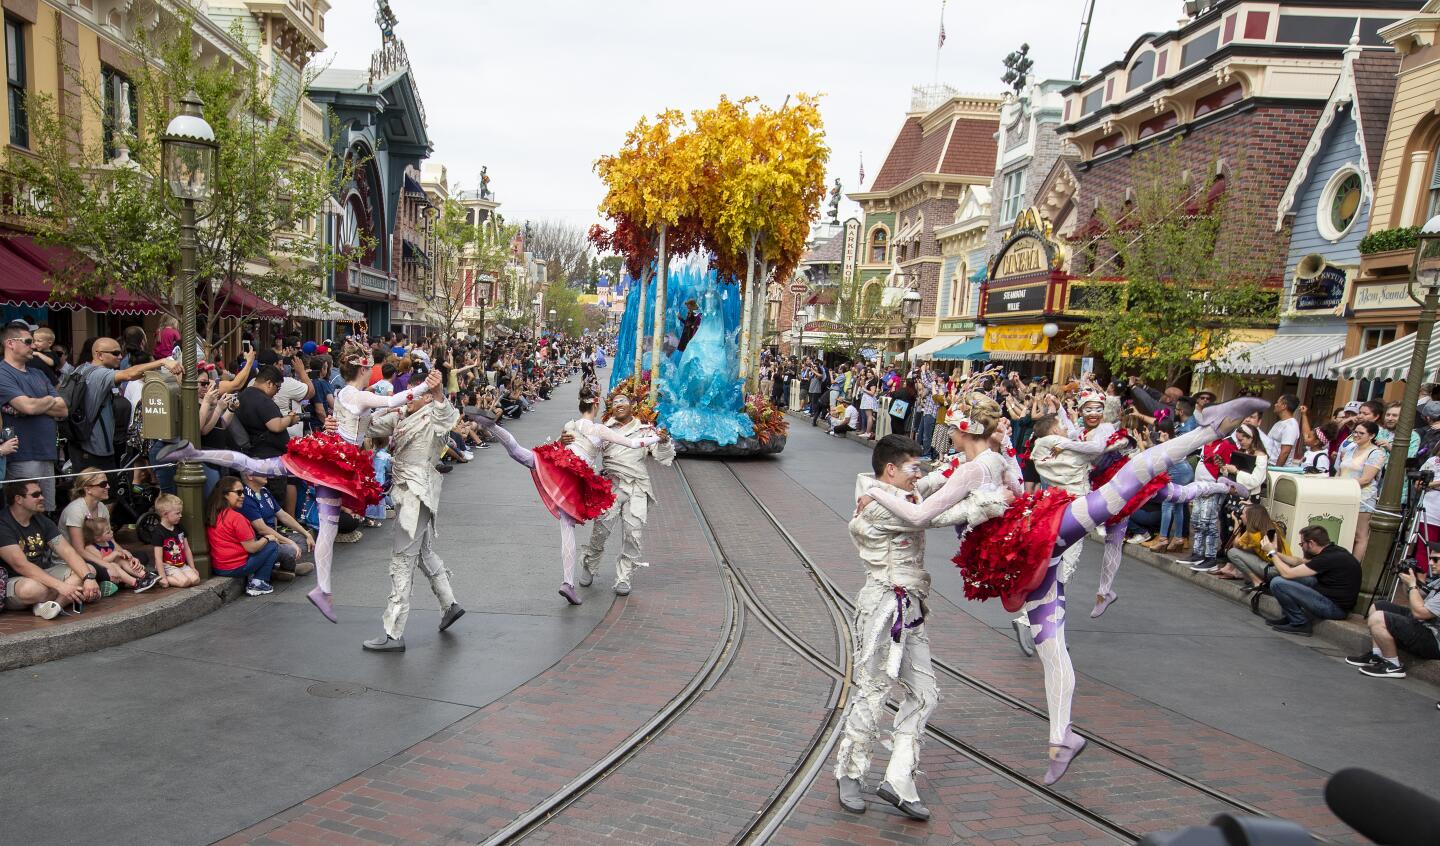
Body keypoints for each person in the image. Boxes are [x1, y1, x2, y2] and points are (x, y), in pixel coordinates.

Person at [863, 394, 1267, 785]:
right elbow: (1016, 496)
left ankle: (1208, 426)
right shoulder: (994, 460)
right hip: (1030, 549)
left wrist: (876, 490)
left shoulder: (972, 469)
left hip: (1028, 542)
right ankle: (1061, 738)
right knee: (1051, 646)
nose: (948, 434)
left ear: (964, 428)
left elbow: (918, 515)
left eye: (952, 428)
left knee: (1121, 488)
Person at [158, 361, 440, 622]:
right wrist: (426, 384)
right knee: (315, 516)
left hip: (331, 460)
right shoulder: (356, 394)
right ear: (363, 369)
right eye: (367, 364)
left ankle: (323, 590)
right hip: (332, 463)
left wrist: (393, 409)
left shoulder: (349, 394)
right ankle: (193, 452)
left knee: (320, 523)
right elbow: (391, 399)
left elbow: (374, 412)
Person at [835, 434, 991, 820]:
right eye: (911, 468)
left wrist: (968, 464)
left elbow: (927, 486)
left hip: (912, 607)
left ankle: (898, 779)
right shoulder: (878, 506)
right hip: (883, 608)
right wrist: (985, 504)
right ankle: (850, 772)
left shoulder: (896, 493)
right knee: (873, 690)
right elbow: (936, 515)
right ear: (890, 470)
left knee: (925, 695)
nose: (916, 475)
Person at [473, 390, 661, 605]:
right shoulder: (600, 428)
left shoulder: (570, 424)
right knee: (568, 528)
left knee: (518, 452)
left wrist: (561, 441)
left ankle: (490, 425)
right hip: (575, 476)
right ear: (596, 406)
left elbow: (558, 445)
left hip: (559, 465)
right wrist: (658, 436)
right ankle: (568, 582)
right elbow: (634, 444)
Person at [361, 390, 467, 652]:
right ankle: (449, 603)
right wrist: (363, 408)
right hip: (405, 492)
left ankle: (394, 632)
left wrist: (440, 393)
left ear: (429, 398)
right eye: (410, 392)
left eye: (420, 394)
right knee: (422, 552)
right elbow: (370, 426)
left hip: (417, 494)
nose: (411, 397)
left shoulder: (434, 417)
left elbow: (447, 415)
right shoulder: (401, 415)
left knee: (402, 559)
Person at [577, 393, 675, 596]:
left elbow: (663, 457)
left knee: (633, 535)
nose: (619, 405)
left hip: (638, 488)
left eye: (623, 401)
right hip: (611, 486)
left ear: (632, 405)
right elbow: (584, 449)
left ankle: (624, 577)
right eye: (615, 403)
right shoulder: (603, 430)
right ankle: (589, 563)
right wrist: (565, 437)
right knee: (600, 533)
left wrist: (664, 442)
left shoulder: (646, 430)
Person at [71, 337, 177, 470]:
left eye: (120, 352)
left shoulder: (82, 369)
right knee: (103, 488)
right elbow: (129, 374)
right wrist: (162, 362)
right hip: (95, 452)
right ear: (99, 355)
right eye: (115, 353)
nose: (120, 356)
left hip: (85, 448)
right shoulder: (99, 374)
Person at [0, 479, 101, 618]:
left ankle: (54, 606)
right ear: (18, 499)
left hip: (41, 574)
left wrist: (88, 578)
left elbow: (67, 551)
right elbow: (20, 565)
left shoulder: (42, 520)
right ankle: (65, 596)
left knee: (88, 570)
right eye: (35, 495)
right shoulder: (3, 523)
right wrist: (61, 586)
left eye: (41, 493)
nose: (42, 497)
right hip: (15, 581)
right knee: (33, 590)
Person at [0, 321, 68, 509]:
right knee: (23, 510)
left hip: (46, 453)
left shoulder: (38, 372)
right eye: (28, 341)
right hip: (22, 455)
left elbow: (63, 409)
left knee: (44, 510)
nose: (34, 346)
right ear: (11, 343)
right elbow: (27, 406)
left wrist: (34, 403)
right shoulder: (3, 372)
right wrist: (46, 400)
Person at [1348, 547, 1440, 678]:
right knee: (1379, 606)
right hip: (1424, 626)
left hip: (1434, 641)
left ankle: (1393, 665)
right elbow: (1416, 597)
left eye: (1436, 559)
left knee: (1378, 618)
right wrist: (1407, 580)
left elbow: (1420, 613)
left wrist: (1413, 585)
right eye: (1430, 559)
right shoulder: (1438, 580)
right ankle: (1377, 655)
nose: (1431, 563)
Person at [1259, 524, 1361, 636]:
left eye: (1302, 544)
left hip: (1335, 609)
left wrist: (1272, 554)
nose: (1301, 547)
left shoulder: (1327, 558)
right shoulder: (1333, 551)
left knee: (1278, 583)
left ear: (1311, 543)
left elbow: (1287, 573)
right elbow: (1299, 562)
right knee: (1300, 577)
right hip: (1330, 598)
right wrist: (1275, 552)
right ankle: (1290, 617)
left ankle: (1299, 623)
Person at [60, 469, 152, 592]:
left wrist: (126, 554)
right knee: (106, 569)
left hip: (101, 553)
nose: (108, 486)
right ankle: (128, 580)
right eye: (103, 484)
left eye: (107, 483)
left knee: (140, 557)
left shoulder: (101, 507)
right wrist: (107, 564)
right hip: (79, 559)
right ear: (88, 489)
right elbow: (79, 550)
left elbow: (110, 539)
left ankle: (122, 579)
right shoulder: (75, 511)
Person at [205, 477, 280, 596]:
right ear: (225, 494)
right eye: (238, 492)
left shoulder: (214, 514)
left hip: (219, 567)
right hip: (237, 567)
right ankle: (258, 582)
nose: (243, 496)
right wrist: (267, 538)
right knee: (272, 545)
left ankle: (264, 574)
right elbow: (252, 548)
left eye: (243, 492)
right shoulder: (236, 518)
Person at [239, 470, 315, 582]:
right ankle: (281, 569)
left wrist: (306, 533)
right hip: (262, 542)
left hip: (274, 537)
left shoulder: (264, 491)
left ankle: (280, 568)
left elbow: (283, 515)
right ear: (250, 476)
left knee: (305, 541)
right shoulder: (247, 497)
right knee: (290, 549)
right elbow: (262, 529)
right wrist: (289, 542)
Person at [1337, 420, 1385, 564]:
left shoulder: (1376, 453)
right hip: (1344, 495)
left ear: (1371, 435)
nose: (1356, 435)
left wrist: (1342, 484)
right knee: (1345, 532)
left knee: (1360, 535)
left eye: (1361, 433)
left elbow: (1366, 479)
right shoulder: (1350, 449)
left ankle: (1354, 567)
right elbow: (1340, 471)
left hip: (1363, 497)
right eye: (1355, 432)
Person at [1218, 502, 1289, 590]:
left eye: (1243, 514)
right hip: (1284, 567)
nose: (1241, 516)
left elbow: (1236, 544)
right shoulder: (1273, 525)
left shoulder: (1253, 534)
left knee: (1232, 552)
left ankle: (1257, 582)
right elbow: (1260, 512)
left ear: (1250, 518)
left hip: (1273, 570)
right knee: (1248, 549)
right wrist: (1251, 505)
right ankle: (1252, 578)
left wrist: (1236, 522)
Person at [149, 494, 200, 588]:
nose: (180, 516)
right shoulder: (158, 532)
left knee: (196, 579)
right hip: (168, 566)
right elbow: (158, 558)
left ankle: (180, 575)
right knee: (184, 582)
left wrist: (192, 567)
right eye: (177, 513)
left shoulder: (180, 528)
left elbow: (187, 549)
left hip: (181, 564)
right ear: (165, 514)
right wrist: (163, 577)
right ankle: (158, 578)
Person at [1268, 394, 1301, 468]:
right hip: (1268, 463)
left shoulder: (1291, 425)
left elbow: (1285, 452)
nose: (1275, 405)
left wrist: (1276, 470)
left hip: (1276, 466)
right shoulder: (1279, 423)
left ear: (1284, 406)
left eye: (1277, 402)